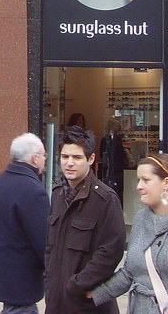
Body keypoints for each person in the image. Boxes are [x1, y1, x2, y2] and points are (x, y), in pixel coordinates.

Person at [88, 153, 168, 314]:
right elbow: (130, 272)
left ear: (166, 183)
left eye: (146, 180)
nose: (139, 186)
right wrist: (94, 295)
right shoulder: (141, 218)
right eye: (138, 180)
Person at [46, 126, 126, 314]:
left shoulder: (105, 199)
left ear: (91, 159)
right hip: (56, 301)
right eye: (65, 157)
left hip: (88, 304)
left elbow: (110, 252)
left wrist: (77, 285)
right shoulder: (57, 195)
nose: (69, 163)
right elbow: (50, 246)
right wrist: (49, 280)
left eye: (77, 157)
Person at [0, 133, 49, 314]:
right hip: (24, 280)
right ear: (35, 159)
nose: (45, 160)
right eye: (43, 156)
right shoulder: (34, 191)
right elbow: (44, 241)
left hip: (0, 274)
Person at [100, 118, 130, 202]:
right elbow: (102, 154)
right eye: (116, 126)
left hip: (118, 169)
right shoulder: (106, 139)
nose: (117, 128)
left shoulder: (118, 139)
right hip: (110, 169)